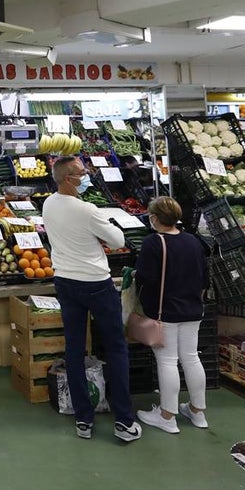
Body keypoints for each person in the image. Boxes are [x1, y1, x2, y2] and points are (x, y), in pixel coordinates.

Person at [42, 156, 141, 443]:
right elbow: (119, 241)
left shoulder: (48, 204)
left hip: (65, 282)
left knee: (74, 349)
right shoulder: (88, 210)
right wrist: (100, 234)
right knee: (116, 348)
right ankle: (124, 420)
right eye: (81, 174)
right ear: (67, 178)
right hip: (96, 284)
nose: (86, 177)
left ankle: (83, 419)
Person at [134, 196, 210, 433]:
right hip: (193, 309)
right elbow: (205, 278)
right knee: (191, 357)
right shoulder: (194, 241)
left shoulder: (154, 243)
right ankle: (198, 413)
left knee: (167, 361)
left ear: (154, 218)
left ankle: (167, 416)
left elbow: (146, 279)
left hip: (164, 311)